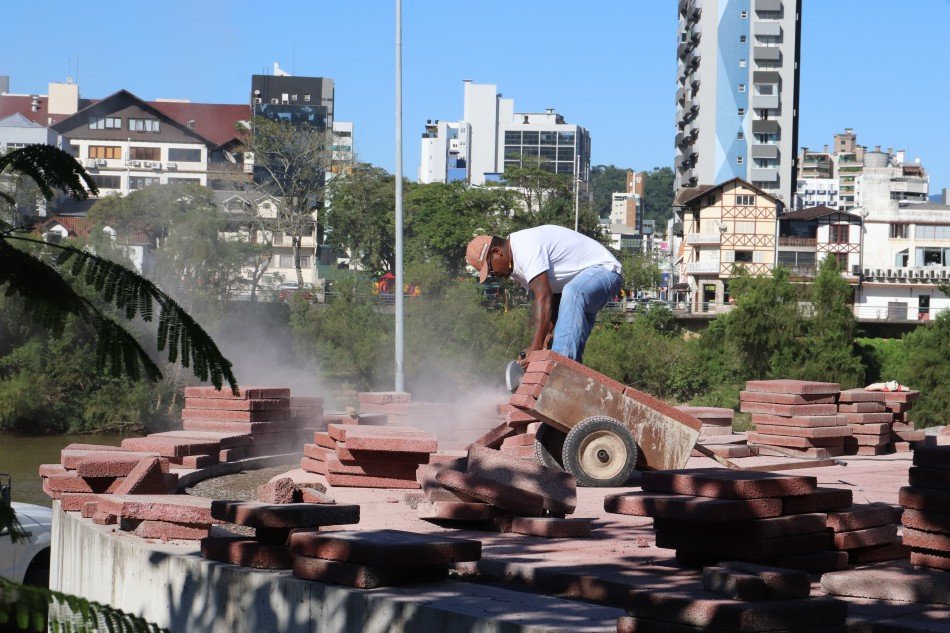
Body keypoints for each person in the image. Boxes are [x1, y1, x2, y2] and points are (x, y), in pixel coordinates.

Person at [466, 224, 622, 365]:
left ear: (497, 252)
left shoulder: (524, 247)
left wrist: (535, 346)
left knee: (572, 294)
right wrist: (547, 334)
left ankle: (559, 368)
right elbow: (553, 296)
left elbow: (544, 297)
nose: (494, 275)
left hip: (606, 271)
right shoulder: (514, 268)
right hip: (583, 289)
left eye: (491, 270)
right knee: (563, 350)